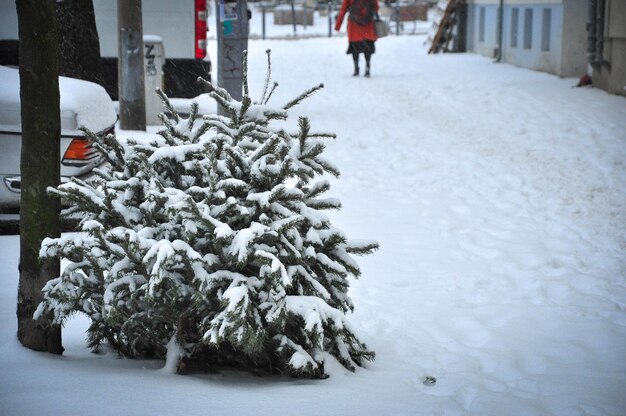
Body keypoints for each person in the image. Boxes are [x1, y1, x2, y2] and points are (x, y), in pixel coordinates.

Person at [335, 0, 379, 77]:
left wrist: (338, 25)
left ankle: (356, 69)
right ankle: (367, 68)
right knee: (367, 48)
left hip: (354, 25)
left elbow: (343, 9)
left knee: (355, 49)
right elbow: (376, 7)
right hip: (368, 25)